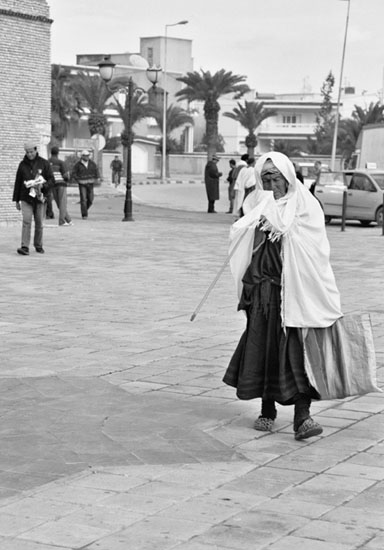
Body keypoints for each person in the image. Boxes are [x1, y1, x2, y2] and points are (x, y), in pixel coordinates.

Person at [223, 152, 343, 440]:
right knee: (262, 348)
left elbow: (313, 247)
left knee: (295, 355)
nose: (271, 183)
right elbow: (246, 243)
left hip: (295, 292)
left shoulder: (304, 205)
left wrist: (276, 221)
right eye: (265, 178)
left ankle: (303, 417)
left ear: (287, 176)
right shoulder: (254, 204)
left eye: (275, 177)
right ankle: (267, 411)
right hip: (262, 292)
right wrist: (247, 226)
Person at [12, 140, 54, 255]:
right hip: (26, 197)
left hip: (40, 198)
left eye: (31, 152)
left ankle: (38, 245)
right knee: (26, 221)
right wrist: (16, 200)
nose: (29, 154)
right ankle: (24, 246)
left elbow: (51, 180)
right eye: (27, 152)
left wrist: (42, 185)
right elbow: (18, 182)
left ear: (36, 150)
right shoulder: (22, 165)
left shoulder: (44, 164)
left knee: (39, 222)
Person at [48, 146, 73, 226]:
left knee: (59, 203)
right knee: (62, 203)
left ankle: (68, 220)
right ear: (58, 153)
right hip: (61, 184)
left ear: (50, 152)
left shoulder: (47, 162)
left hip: (52, 184)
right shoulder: (61, 162)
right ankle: (61, 221)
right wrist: (68, 179)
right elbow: (66, 175)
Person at [71, 150, 100, 219]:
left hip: (90, 183)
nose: (87, 157)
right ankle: (84, 214)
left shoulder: (92, 163)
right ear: (82, 156)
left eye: (88, 156)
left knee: (90, 199)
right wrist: (77, 179)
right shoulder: (78, 165)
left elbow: (96, 170)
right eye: (85, 156)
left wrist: (97, 177)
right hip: (82, 183)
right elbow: (74, 173)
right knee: (83, 199)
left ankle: (85, 209)